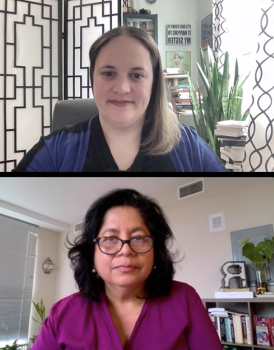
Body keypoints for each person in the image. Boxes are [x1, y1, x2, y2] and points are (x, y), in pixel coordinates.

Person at [13, 27, 225, 172]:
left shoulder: (189, 146)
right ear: (92, 79)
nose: (122, 88)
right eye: (108, 73)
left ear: (153, 83)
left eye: (136, 75)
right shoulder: (56, 149)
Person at [32, 189, 222, 350]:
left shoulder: (184, 298)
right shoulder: (63, 314)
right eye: (110, 239)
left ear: (155, 250)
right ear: (91, 254)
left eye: (139, 238)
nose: (126, 250)